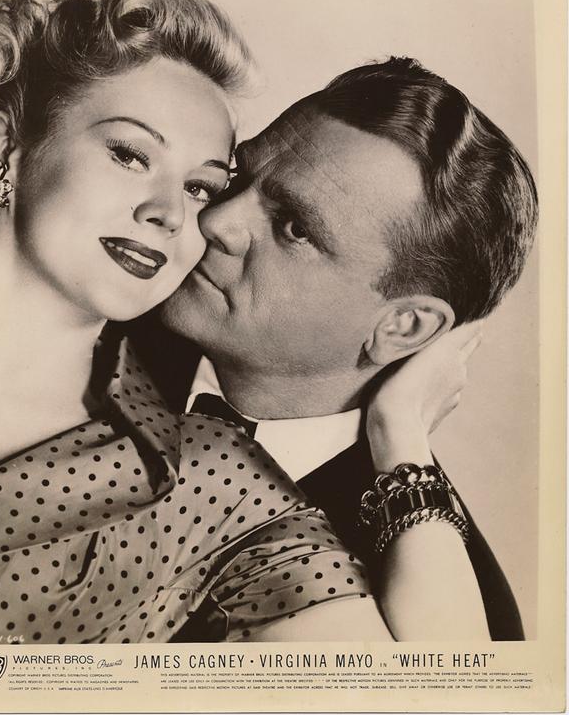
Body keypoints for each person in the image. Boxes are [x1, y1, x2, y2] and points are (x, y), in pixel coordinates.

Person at [0, 0, 414, 645]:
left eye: (202, 187)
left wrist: (402, 436)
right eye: (130, 155)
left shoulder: (215, 482)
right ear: (3, 146)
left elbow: (438, 685)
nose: (170, 213)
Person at [129, 57, 538, 641]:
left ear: (404, 327)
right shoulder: (88, 326)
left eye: (294, 227)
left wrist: (399, 429)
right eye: (241, 176)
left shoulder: (450, 606)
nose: (217, 219)